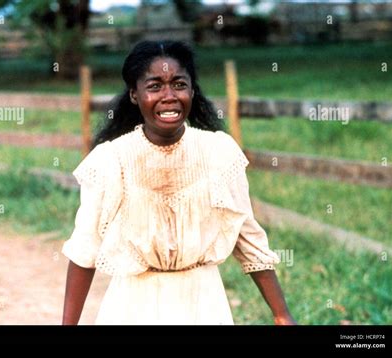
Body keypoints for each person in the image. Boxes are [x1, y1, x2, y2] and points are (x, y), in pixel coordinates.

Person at [62, 40, 296, 325]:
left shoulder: (219, 153)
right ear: (135, 95)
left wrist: (282, 314)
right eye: (155, 86)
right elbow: (85, 249)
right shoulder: (111, 161)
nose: (169, 96)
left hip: (203, 304)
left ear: (192, 91)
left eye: (179, 84)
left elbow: (249, 240)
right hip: (132, 306)